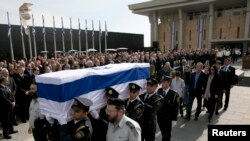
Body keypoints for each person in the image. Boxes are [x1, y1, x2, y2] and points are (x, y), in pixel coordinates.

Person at [157, 75, 179, 141]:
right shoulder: (159, 91)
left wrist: (174, 119)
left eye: (164, 82)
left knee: (167, 135)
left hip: (168, 119)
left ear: (168, 83)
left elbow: (176, 108)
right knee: (164, 133)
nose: (162, 83)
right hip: (160, 118)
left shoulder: (174, 94)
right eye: (162, 82)